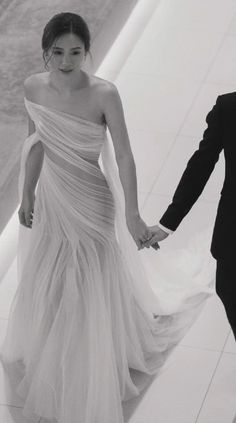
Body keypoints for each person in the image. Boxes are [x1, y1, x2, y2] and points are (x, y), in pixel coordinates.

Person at [0, 12, 216, 423]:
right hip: (54, 195)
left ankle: (96, 355)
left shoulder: (104, 93)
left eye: (76, 52)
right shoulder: (32, 87)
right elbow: (35, 143)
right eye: (58, 52)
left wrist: (132, 214)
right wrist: (26, 193)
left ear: (87, 50)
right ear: (46, 50)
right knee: (53, 271)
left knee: (90, 275)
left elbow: (124, 155)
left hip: (92, 198)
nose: (66, 60)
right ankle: (58, 349)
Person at [144, 93, 236, 341]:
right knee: (229, 291)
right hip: (233, 236)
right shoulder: (228, 107)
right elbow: (201, 164)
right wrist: (167, 223)